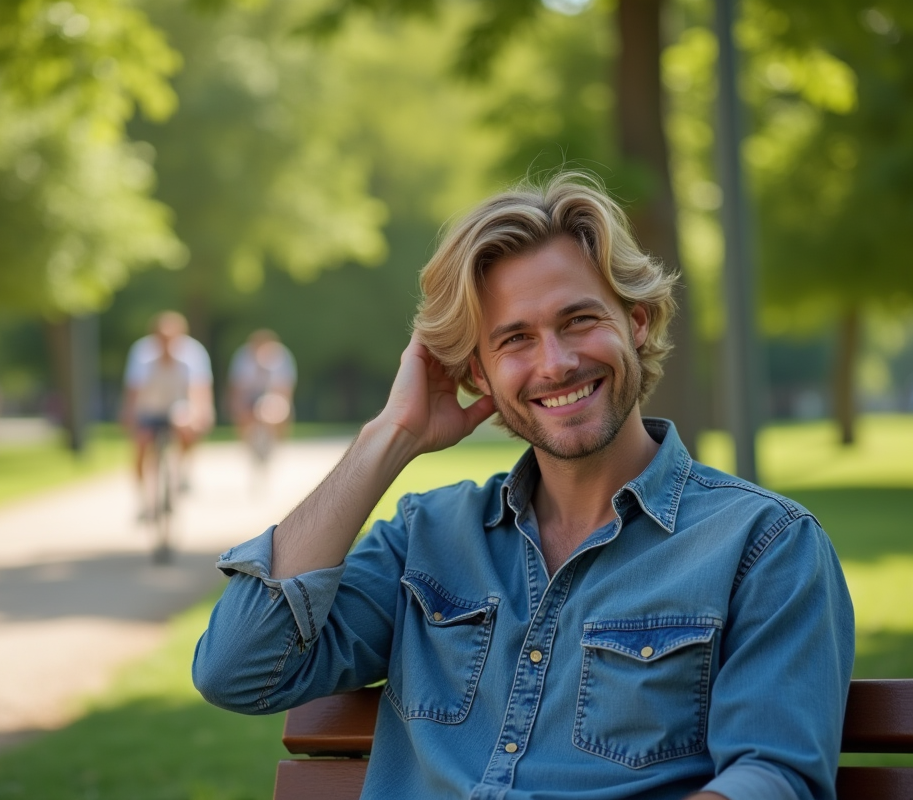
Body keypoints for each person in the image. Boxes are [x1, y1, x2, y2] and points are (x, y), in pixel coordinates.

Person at [193, 173, 854, 800]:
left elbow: (772, 778)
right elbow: (238, 668)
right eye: (514, 340)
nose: (556, 363)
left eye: (579, 320)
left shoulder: (764, 546)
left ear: (638, 321)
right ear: (475, 373)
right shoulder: (426, 539)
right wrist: (388, 437)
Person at [120, 312, 215, 513]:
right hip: (149, 409)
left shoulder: (192, 354)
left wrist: (201, 413)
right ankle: (144, 500)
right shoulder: (141, 354)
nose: (167, 344)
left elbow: (198, 390)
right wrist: (129, 416)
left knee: (188, 424)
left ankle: (182, 472)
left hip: (177, 408)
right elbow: (133, 392)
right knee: (141, 443)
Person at [228, 329, 297, 472]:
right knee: (243, 415)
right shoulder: (243, 358)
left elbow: (284, 391)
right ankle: (250, 446)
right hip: (250, 398)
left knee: (276, 414)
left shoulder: (282, 358)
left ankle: (272, 445)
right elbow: (238, 390)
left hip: (272, 398)